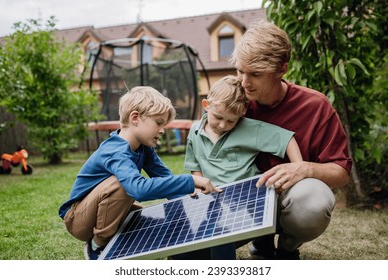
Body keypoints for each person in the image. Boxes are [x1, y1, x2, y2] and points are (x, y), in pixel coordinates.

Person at [229, 19, 352, 259]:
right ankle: (260, 240)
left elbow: (341, 172)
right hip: (243, 197)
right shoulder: (233, 101)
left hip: (293, 198)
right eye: (240, 71)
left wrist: (304, 169)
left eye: (255, 74)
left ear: (282, 69)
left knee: (314, 201)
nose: (244, 83)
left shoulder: (316, 106)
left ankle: (287, 247)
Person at [58, 86, 221, 260]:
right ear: (135, 118)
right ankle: (98, 245)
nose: (162, 130)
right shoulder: (114, 151)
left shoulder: (144, 148)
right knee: (123, 184)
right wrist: (189, 180)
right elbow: (138, 190)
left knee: (148, 219)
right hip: (78, 220)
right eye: (158, 122)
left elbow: (165, 178)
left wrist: (193, 207)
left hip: (106, 212)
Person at [173, 75, 303, 260]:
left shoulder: (249, 129)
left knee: (220, 240)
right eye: (218, 117)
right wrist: (199, 185)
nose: (223, 125)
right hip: (215, 199)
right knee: (184, 254)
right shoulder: (194, 131)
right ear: (206, 105)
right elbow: (195, 163)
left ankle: (262, 242)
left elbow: (286, 139)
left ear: (242, 115)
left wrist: (297, 167)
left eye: (231, 121)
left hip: (248, 199)